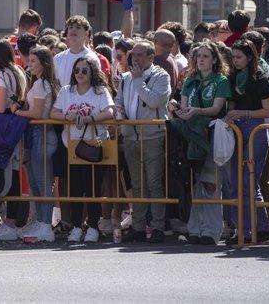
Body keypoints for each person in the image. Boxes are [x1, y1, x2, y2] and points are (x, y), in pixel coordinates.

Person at [50, 57, 114, 243]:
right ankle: (77, 226)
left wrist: (90, 118)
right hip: (73, 147)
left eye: (84, 70)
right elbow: (53, 113)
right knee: (75, 189)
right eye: (77, 70)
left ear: (92, 72)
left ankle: (93, 226)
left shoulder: (100, 91)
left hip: (95, 146)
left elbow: (110, 112)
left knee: (93, 188)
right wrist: (66, 116)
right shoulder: (66, 91)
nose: (80, 73)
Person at [115, 41, 171, 243]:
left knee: (154, 183)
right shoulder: (126, 78)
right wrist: (119, 113)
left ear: (150, 57)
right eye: (133, 55)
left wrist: (139, 81)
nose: (135, 59)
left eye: (139, 55)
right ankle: (138, 226)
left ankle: (157, 226)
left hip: (152, 136)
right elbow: (119, 100)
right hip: (130, 136)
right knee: (137, 184)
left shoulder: (161, 76)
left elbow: (155, 100)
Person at [176, 41, 232, 245]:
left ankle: (211, 231)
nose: (201, 59)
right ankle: (194, 229)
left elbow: (217, 109)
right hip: (190, 136)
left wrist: (196, 111)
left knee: (210, 184)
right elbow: (184, 107)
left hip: (210, 135)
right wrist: (180, 112)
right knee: (194, 184)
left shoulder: (221, 80)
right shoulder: (190, 80)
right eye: (198, 56)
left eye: (206, 56)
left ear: (215, 59)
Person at [224, 40, 269, 244]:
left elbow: (268, 111)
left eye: (238, 57)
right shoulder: (232, 77)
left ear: (250, 58)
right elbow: (231, 104)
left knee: (250, 181)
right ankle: (242, 230)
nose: (235, 61)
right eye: (233, 57)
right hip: (237, 129)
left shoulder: (261, 78)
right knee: (236, 182)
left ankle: (261, 228)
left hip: (257, 130)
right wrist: (229, 115)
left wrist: (244, 113)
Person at [11, 45, 60, 242]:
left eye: (33, 61)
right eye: (29, 61)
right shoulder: (41, 83)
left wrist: (17, 112)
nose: (29, 65)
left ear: (43, 63)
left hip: (43, 134)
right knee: (36, 183)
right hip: (39, 134)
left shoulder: (41, 84)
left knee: (43, 182)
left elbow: (38, 113)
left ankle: (46, 224)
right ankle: (41, 221)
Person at [0, 39, 28, 242]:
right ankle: (11, 223)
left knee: (9, 174)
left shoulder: (3, 75)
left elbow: (0, 107)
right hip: (17, 126)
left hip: (5, 128)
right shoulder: (18, 71)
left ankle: (10, 224)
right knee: (15, 173)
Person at [54, 15, 100, 88]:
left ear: (86, 33)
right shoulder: (58, 58)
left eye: (78, 27)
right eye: (71, 27)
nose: (73, 30)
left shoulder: (92, 59)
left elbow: (95, 86)